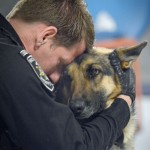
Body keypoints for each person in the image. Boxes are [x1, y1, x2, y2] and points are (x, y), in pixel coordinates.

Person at [0, 0, 135, 149]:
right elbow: (73, 146)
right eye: (61, 64)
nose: (56, 78)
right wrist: (123, 103)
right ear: (45, 36)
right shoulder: (14, 67)